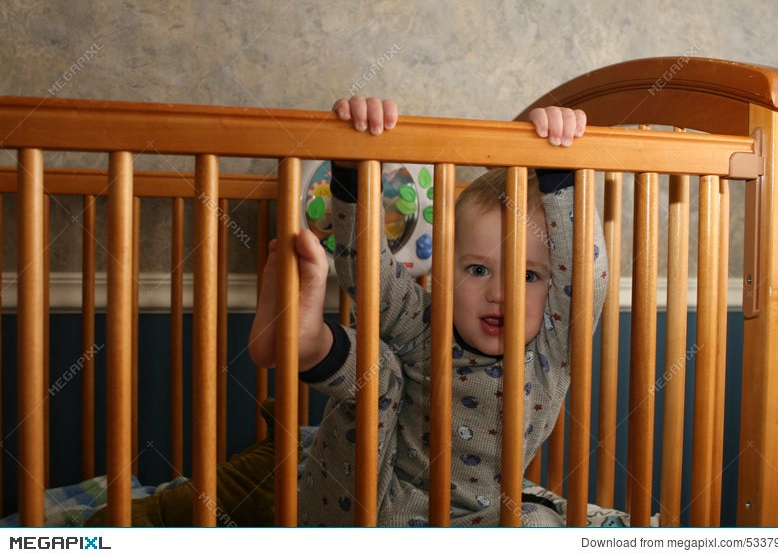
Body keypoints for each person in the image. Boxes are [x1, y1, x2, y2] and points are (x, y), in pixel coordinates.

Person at [248, 97, 608, 526]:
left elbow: (588, 278)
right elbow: (369, 272)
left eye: (528, 276)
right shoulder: (425, 322)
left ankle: (308, 340)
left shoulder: (552, 350)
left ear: (557, 287)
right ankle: (304, 340)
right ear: (444, 269)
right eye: (478, 269)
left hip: (470, 525)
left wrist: (560, 169)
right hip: (365, 502)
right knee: (379, 368)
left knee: (539, 522)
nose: (499, 294)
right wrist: (354, 169)